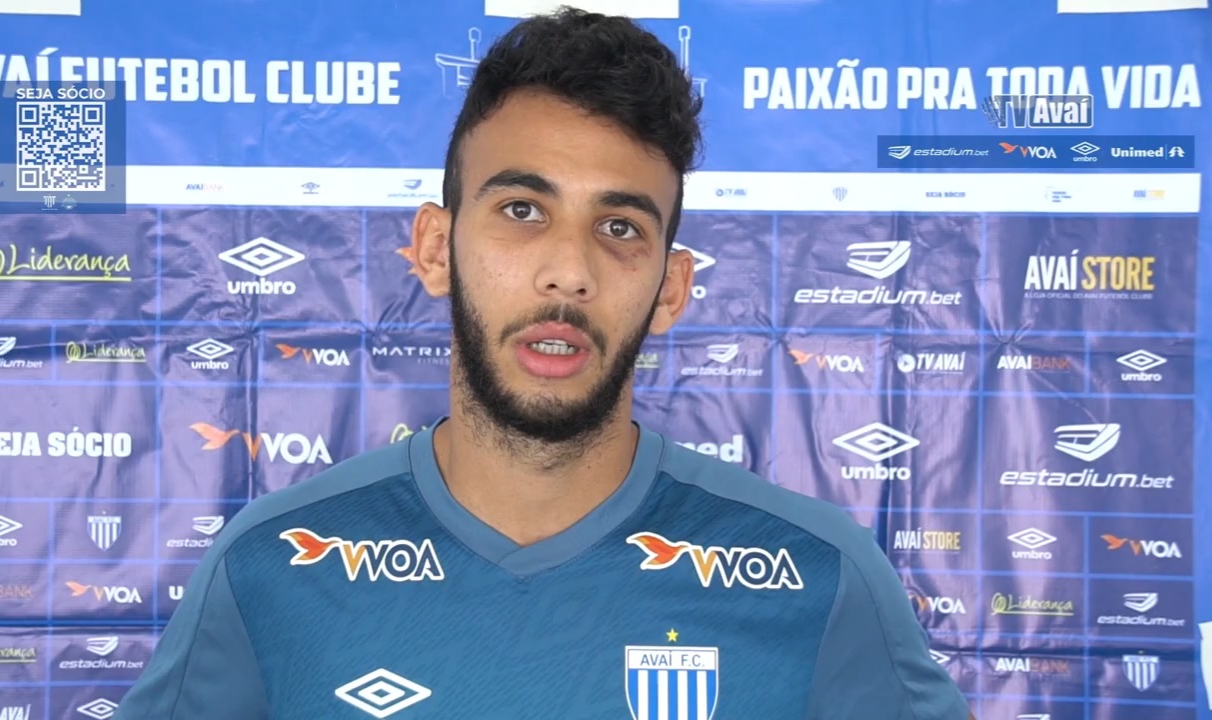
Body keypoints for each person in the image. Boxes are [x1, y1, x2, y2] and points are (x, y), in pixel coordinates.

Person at [115, 8, 973, 719]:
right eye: (522, 209)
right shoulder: (270, 568)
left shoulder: (819, 580)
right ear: (435, 247)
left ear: (671, 288)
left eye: (619, 227)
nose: (569, 270)